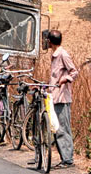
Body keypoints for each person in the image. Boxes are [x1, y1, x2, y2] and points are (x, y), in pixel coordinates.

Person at [47, 30, 78, 169]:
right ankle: (64, 158)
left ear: (49, 42)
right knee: (57, 128)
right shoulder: (55, 55)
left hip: (62, 97)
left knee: (63, 129)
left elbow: (74, 71)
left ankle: (68, 159)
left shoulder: (63, 54)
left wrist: (66, 79)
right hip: (54, 95)